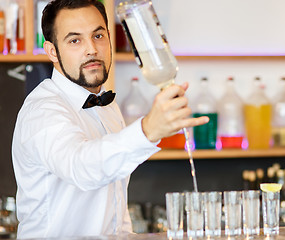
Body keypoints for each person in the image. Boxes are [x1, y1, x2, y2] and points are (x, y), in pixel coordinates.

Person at [11, 0, 208, 238]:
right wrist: (147, 130)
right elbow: (81, 167)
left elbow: (115, 209)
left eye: (98, 36)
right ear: (52, 51)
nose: (91, 49)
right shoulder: (42, 110)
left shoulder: (107, 106)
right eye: (75, 40)